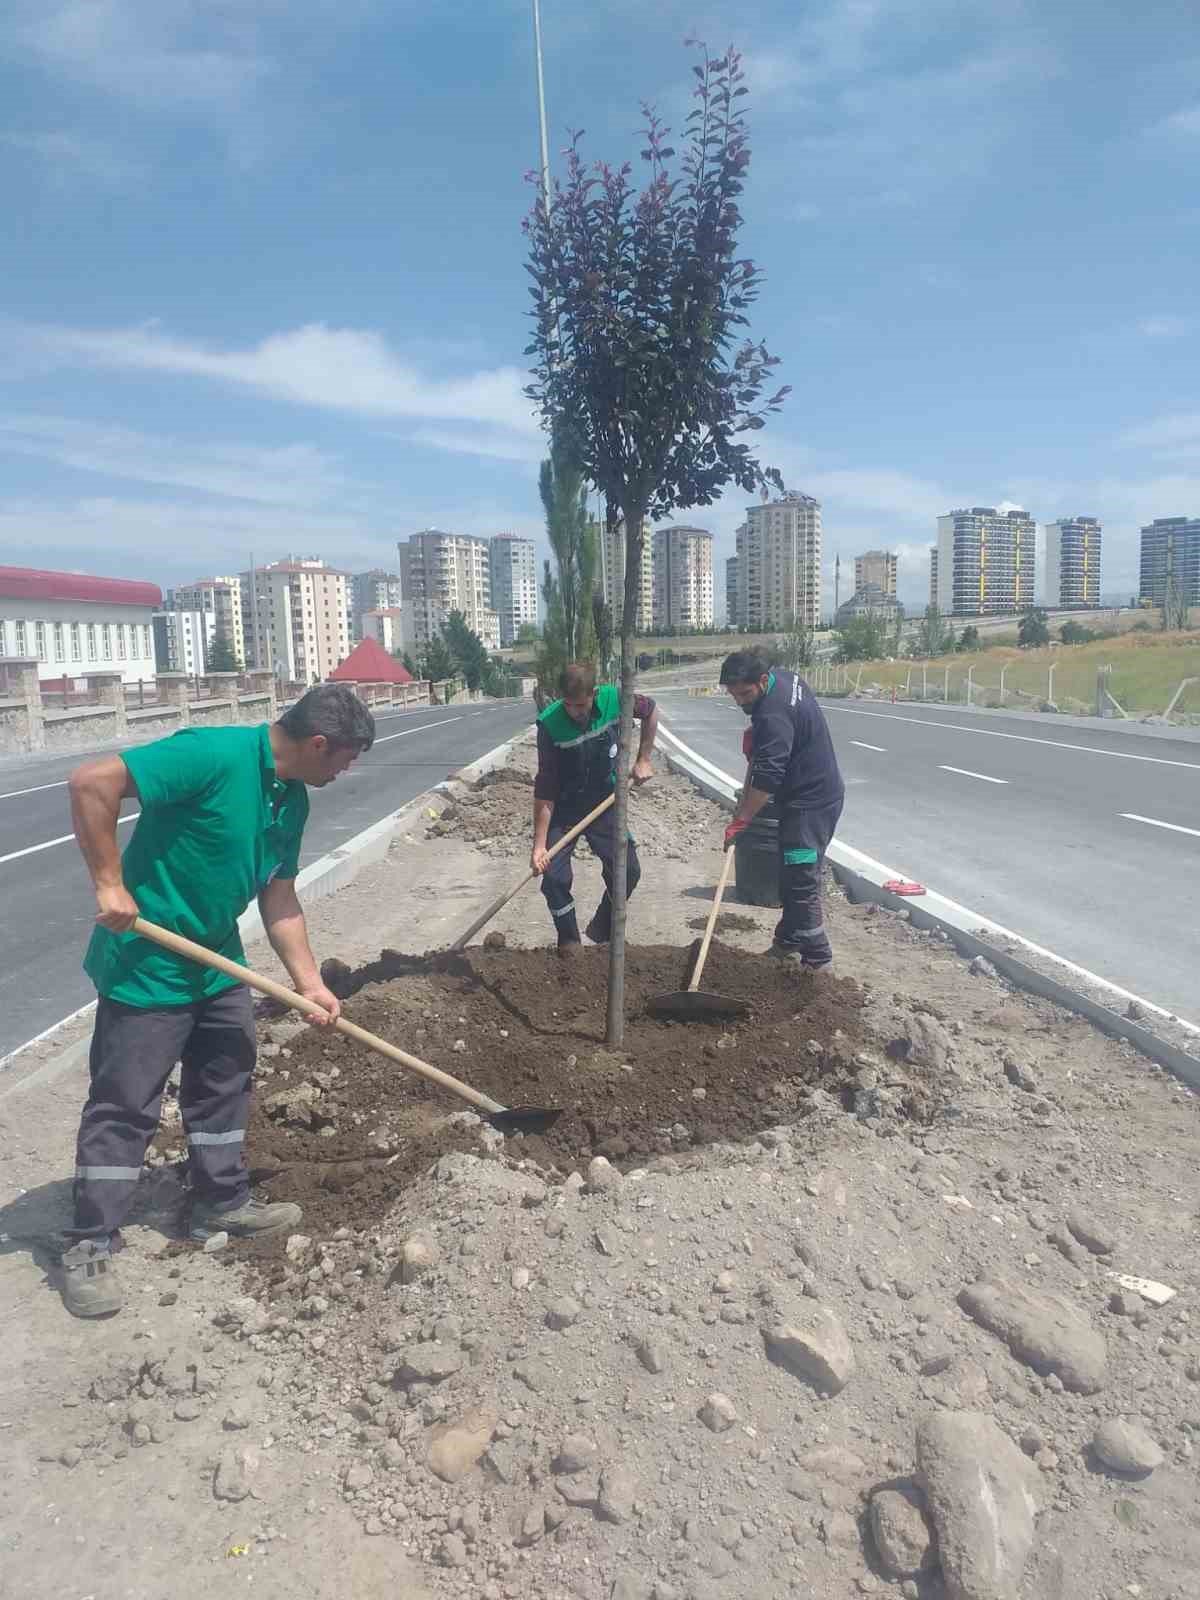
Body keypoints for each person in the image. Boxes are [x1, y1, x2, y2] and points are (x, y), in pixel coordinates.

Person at [59, 683, 376, 1318]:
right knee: (126, 1104)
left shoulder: (289, 800)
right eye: (344, 758)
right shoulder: (211, 754)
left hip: (216, 962)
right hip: (147, 967)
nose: (347, 771)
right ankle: (90, 1239)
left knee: (226, 1078)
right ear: (318, 745)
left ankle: (220, 1198)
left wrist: (310, 983)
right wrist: (110, 883)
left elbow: (278, 897)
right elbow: (89, 781)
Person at [719, 651, 844, 973]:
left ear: (762, 681)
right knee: (790, 875)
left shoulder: (771, 715)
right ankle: (786, 943)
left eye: (744, 694)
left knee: (800, 878)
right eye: (733, 694)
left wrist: (743, 820)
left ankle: (818, 961)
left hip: (810, 807)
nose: (739, 702)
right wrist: (758, 747)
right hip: (808, 799)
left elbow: (768, 778)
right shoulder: (786, 679)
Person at [530, 661, 658, 955]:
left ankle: (601, 930)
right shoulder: (550, 724)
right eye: (569, 705)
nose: (576, 712)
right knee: (552, 876)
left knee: (628, 871)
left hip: (605, 801)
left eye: (582, 705)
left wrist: (644, 758)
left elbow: (650, 710)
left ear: (595, 693)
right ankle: (570, 942)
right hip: (563, 806)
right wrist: (539, 847)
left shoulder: (616, 700)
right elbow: (545, 787)